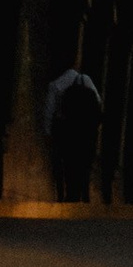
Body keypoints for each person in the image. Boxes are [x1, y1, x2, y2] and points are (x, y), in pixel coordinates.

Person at [41, 62, 103, 206]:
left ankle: (66, 194)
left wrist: (48, 131)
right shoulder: (85, 80)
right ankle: (84, 193)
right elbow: (98, 102)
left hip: (67, 130)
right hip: (86, 131)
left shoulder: (55, 85)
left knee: (68, 162)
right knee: (84, 162)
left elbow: (49, 112)